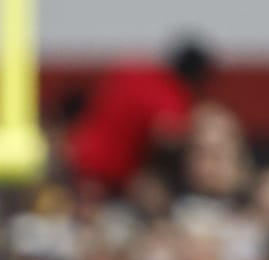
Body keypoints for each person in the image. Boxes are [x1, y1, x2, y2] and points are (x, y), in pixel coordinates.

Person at [67, 40, 215, 192]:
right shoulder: (173, 95)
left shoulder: (133, 71)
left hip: (76, 154)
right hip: (110, 174)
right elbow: (167, 137)